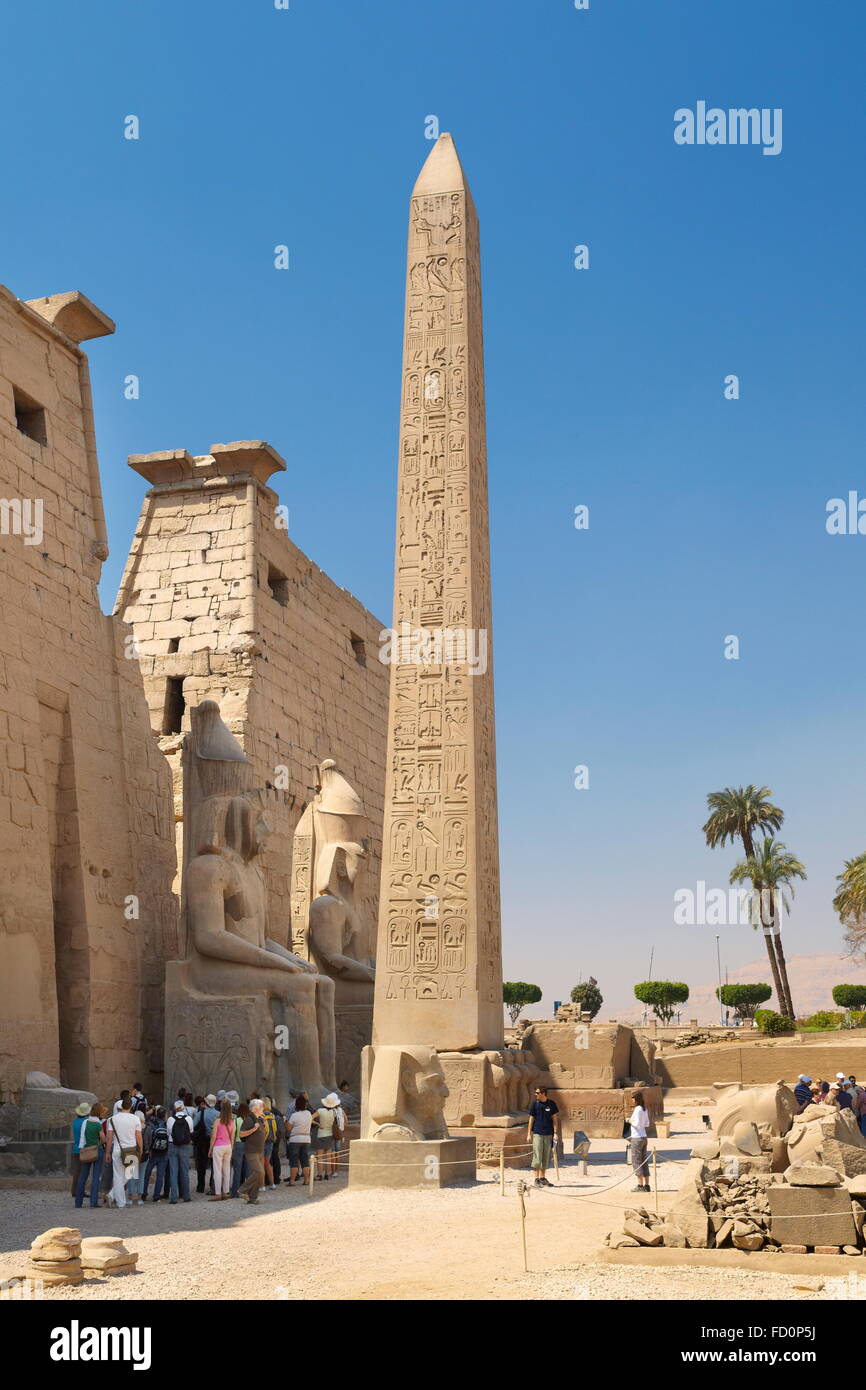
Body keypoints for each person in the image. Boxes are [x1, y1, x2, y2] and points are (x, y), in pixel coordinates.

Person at [106, 1097, 142, 1208]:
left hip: (117, 1149)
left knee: (118, 1176)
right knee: (129, 1174)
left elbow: (109, 1139)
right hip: (132, 1149)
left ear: (120, 1107)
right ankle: (114, 1197)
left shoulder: (111, 1119)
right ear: (130, 1106)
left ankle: (118, 1200)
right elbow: (139, 1137)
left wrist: (107, 1152)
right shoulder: (135, 1119)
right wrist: (140, 1150)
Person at [527, 1085, 560, 1188]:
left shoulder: (551, 1104)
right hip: (537, 1133)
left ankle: (542, 1178)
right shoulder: (535, 1104)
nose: (535, 1094)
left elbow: (555, 1119)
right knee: (537, 1156)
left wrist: (555, 1133)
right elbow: (531, 1119)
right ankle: (536, 1179)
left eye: (537, 1093)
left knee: (545, 1156)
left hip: (548, 1133)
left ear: (543, 1093)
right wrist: (529, 1134)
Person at [74, 1104, 105, 1209]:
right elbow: (103, 1139)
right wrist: (98, 1144)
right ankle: (93, 1202)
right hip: (97, 1150)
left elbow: (82, 1138)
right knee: (95, 1176)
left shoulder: (85, 1123)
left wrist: (82, 1148)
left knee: (83, 1176)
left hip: (86, 1150)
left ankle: (78, 1202)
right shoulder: (98, 1124)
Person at [238, 1099, 267, 1204]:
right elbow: (241, 1134)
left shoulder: (258, 1119)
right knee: (259, 1172)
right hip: (252, 1151)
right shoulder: (249, 1119)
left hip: (259, 1151)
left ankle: (252, 1198)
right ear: (256, 1108)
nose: (263, 1108)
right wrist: (253, 1130)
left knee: (258, 1174)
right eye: (261, 1106)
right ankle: (242, 1190)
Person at [209, 1099, 235, 1200]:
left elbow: (213, 1136)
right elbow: (232, 1137)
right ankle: (226, 1192)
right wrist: (231, 1148)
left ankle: (218, 1193)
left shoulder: (217, 1121)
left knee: (217, 1170)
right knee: (226, 1170)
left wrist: (210, 1149)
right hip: (228, 1146)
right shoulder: (232, 1122)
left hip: (218, 1146)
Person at [167, 1098, 193, 1203]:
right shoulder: (189, 1119)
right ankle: (186, 1196)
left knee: (173, 1172)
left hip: (173, 1145)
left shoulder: (170, 1119)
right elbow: (191, 1131)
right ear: (183, 1108)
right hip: (185, 1146)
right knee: (185, 1172)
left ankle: (173, 1197)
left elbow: (168, 1133)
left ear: (175, 1108)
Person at [142, 1107, 170, 1200]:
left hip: (153, 1153)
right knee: (160, 1176)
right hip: (164, 1153)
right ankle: (156, 1195)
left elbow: (149, 1138)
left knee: (147, 1174)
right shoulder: (167, 1125)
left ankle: (144, 1194)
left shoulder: (152, 1124)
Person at [627, 1090, 651, 1193]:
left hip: (637, 1138)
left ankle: (640, 1185)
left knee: (636, 1161)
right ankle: (647, 1185)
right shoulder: (644, 1109)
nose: (632, 1100)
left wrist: (629, 1120)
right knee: (644, 1161)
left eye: (633, 1098)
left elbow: (636, 1123)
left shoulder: (637, 1109)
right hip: (644, 1137)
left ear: (636, 1099)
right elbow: (647, 1124)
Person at [285, 1096, 313, 1185]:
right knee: (305, 1160)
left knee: (294, 1161)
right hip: (306, 1139)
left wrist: (285, 1121)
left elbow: (288, 1128)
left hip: (295, 1139)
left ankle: (292, 1181)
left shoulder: (294, 1115)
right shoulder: (308, 1114)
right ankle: (306, 1180)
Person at [311, 1094, 341, 1178]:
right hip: (330, 1134)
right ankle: (327, 1173)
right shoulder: (334, 1112)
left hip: (321, 1134)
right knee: (328, 1155)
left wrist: (317, 1124)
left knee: (320, 1156)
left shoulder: (320, 1111)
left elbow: (310, 1118)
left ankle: (320, 1174)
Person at [194, 1094, 218, 1194]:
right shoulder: (218, 1114)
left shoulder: (200, 1113)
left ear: (206, 1102)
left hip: (202, 1141)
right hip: (215, 1141)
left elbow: (193, 1125)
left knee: (201, 1165)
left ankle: (200, 1186)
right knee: (214, 1165)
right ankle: (212, 1185)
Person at [70, 1101, 92, 1200]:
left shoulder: (75, 1121)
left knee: (76, 1172)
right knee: (83, 1172)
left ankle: (74, 1190)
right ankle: (80, 1191)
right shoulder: (86, 1122)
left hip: (75, 1148)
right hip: (83, 1149)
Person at [229, 1100, 249, 1198]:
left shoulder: (236, 1121)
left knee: (237, 1169)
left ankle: (235, 1192)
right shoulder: (249, 1120)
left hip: (238, 1144)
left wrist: (232, 1148)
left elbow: (233, 1135)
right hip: (248, 1145)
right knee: (247, 1169)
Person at [261, 1096, 277, 1189]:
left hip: (262, 1141)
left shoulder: (261, 1116)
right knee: (268, 1163)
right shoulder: (272, 1116)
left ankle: (262, 1185)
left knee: (261, 1163)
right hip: (270, 1141)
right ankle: (272, 1184)